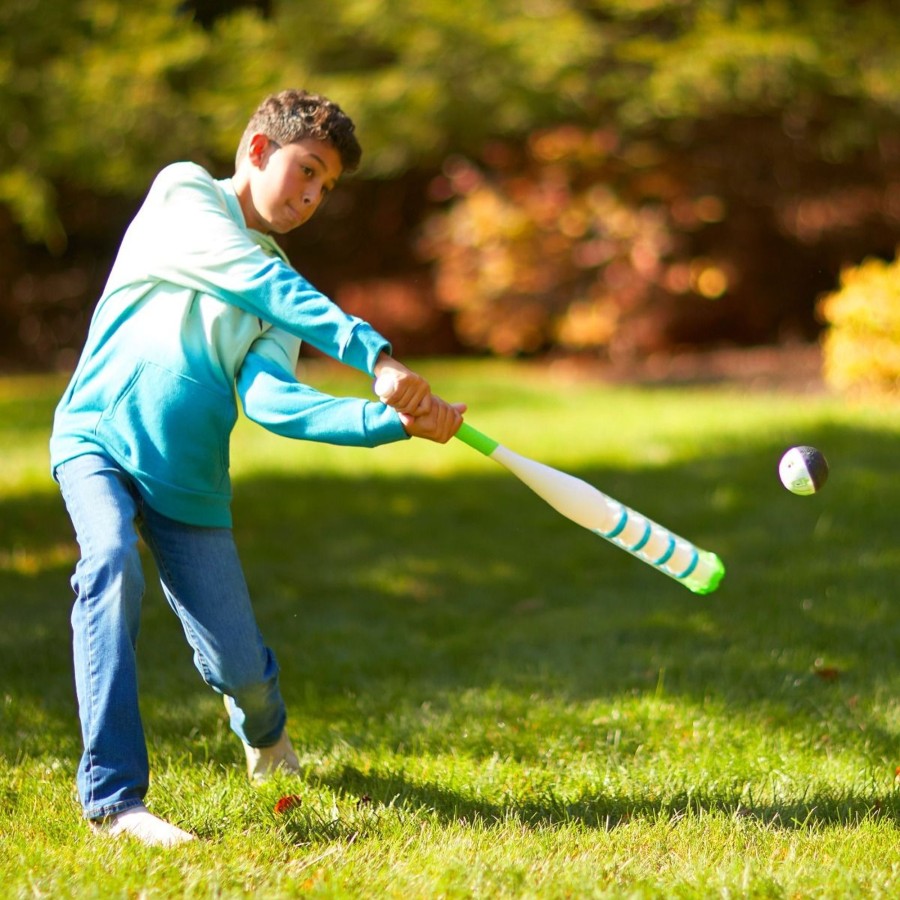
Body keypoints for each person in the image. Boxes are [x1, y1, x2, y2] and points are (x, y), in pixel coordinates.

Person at [50, 89, 465, 847]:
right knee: (108, 561)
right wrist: (370, 352)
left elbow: (277, 403)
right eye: (306, 170)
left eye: (326, 187)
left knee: (242, 670)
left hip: (189, 481)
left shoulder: (281, 294)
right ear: (256, 149)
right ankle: (114, 802)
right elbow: (253, 277)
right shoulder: (185, 197)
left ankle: (266, 735)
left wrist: (392, 422)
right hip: (96, 438)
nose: (311, 196)